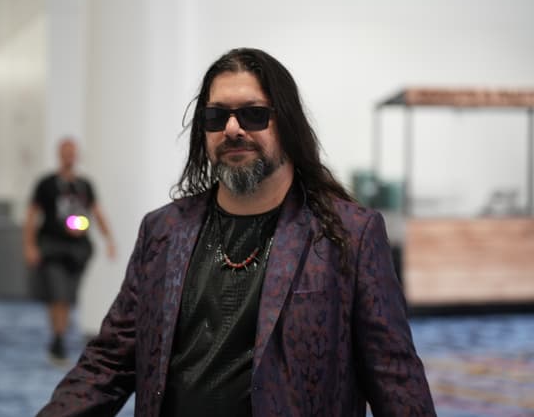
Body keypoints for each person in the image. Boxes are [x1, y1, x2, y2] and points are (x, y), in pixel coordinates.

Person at [37, 48, 436, 416]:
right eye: (216, 116)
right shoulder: (163, 231)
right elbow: (109, 361)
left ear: (287, 124)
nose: (232, 128)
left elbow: (394, 377)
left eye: (253, 114)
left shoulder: (348, 235)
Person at [23, 137, 116, 364]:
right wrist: (29, 245)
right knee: (58, 293)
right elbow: (31, 216)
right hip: (52, 246)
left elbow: (96, 212)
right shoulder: (46, 184)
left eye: (72, 152)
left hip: (78, 250)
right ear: (59, 154)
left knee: (68, 296)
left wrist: (109, 240)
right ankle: (58, 338)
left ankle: (59, 335)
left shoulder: (84, 186)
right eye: (65, 152)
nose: (69, 157)